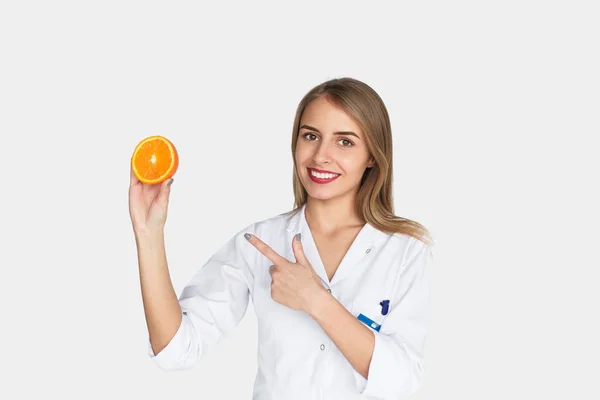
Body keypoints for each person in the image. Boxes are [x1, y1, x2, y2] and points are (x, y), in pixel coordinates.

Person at [128, 77, 434, 400]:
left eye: (345, 142)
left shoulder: (406, 250)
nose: (320, 156)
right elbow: (177, 349)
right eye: (311, 136)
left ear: (373, 155)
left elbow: (402, 378)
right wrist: (149, 235)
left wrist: (315, 300)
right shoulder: (262, 242)